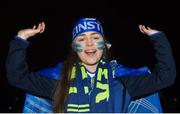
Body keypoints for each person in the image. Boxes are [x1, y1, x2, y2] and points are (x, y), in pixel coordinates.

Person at [6, 18, 176, 113]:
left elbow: (165, 77)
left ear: (105, 45)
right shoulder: (58, 80)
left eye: (95, 37)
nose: (89, 44)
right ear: (74, 48)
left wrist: (159, 38)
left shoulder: (123, 79)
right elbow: (17, 78)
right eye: (81, 39)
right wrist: (20, 39)